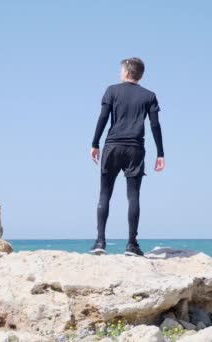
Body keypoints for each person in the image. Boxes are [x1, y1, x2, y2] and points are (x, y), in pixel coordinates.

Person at [89, 57, 165, 257]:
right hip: (135, 149)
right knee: (133, 196)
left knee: (105, 194)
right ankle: (131, 244)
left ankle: (100, 241)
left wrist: (95, 143)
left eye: (120, 70)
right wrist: (160, 153)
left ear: (126, 72)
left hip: (112, 146)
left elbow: (103, 118)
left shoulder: (112, 90)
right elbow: (155, 125)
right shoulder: (149, 96)